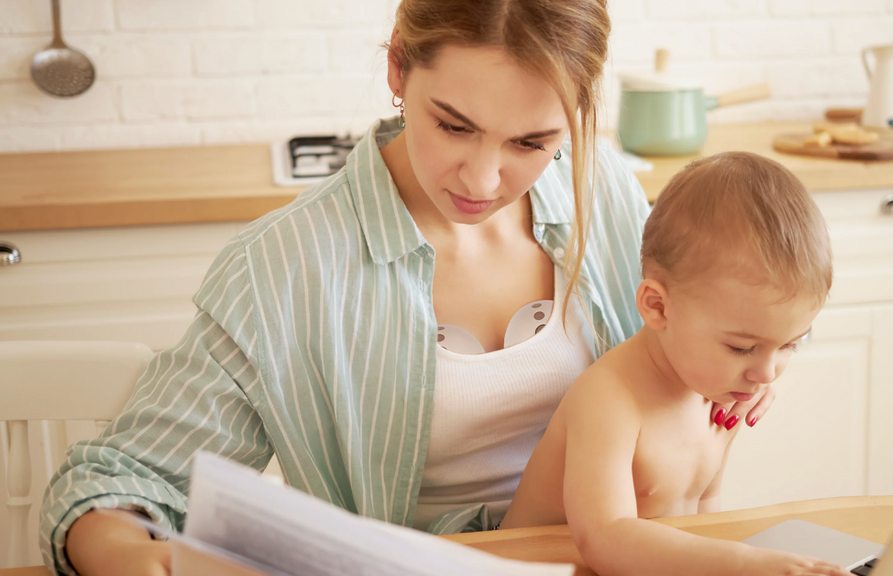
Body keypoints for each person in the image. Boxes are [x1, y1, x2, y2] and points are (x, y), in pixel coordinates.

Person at [42, 2, 778, 575]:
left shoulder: (607, 193)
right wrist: (133, 557)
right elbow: (119, 478)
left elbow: (694, 334)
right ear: (398, 69)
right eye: (454, 126)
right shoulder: (286, 267)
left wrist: (735, 366)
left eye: (532, 143)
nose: (485, 180)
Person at [499, 152, 847, 576]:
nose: (766, 374)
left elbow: (703, 518)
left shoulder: (719, 393)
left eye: (791, 344)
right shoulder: (610, 399)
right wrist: (746, 564)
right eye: (742, 348)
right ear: (657, 307)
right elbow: (604, 536)